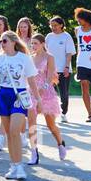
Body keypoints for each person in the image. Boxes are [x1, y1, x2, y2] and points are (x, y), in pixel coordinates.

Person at [0, 31, 42, 180]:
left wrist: (38, 99)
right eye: (1, 41)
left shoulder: (24, 58)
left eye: (4, 41)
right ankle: (14, 165)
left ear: (13, 41)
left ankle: (19, 167)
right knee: (9, 135)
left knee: (14, 130)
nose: (2, 44)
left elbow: (31, 81)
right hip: (3, 94)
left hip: (19, 95)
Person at [28, 33, 70, 163]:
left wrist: (43, 88)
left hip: (46, 93)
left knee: (50, 124)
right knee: (32, 124)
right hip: (32, 92)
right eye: (32, 43)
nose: (33, 46)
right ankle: (34, 152)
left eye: (36, 43)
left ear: (42, 44)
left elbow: (51, 76)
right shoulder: (30, 58)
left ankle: (60, 143)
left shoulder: (49, 57)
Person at [45, 16, 76, 122]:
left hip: (63, 69)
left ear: (61, 25)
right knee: (50, 92)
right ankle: (52, 112)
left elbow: (69, 53)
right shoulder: (49, 36)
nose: (53, 27)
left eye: (55, 25)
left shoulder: (66, 37)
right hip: (50, 70)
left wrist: (66, 67)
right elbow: (45, 53)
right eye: (51, 25)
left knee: (64, 93)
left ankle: (63, 113)